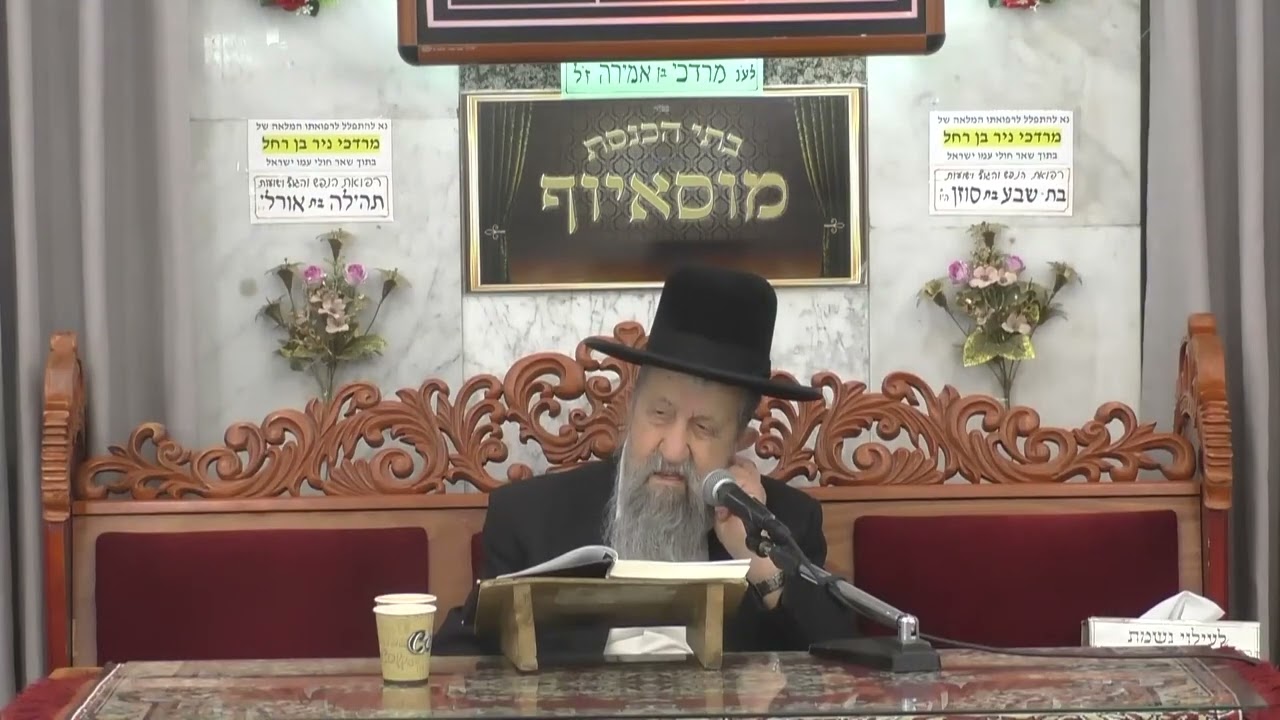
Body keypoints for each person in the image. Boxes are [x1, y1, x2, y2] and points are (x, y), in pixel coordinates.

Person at [434, 265, 858, 661]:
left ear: (739, 443)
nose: (672, 450)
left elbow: (844, 662)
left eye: (703, 428)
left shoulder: (785, 524)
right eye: (659, 414)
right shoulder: (530, 519)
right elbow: (457, 662)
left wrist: (762, 563)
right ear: (630, 408)